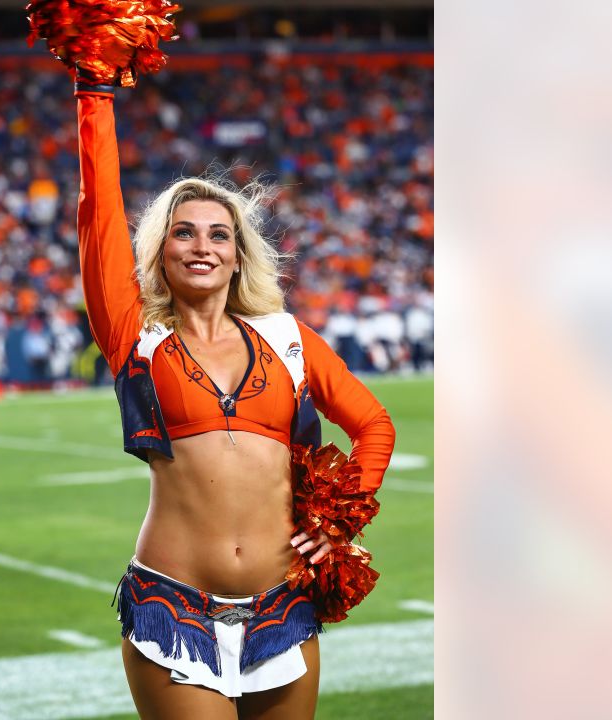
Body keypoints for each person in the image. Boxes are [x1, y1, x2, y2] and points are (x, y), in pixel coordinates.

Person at [75, 77, 396, 719]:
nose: (202, 247)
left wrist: (338, 521)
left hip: (284, 608)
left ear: (239, 255)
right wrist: (96, 93)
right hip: (175, 608)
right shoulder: (136, 337)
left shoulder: (287, 337)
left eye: (219, 235)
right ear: (159, 252)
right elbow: (100, 210)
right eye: (184, 233)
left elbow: (373, 424)